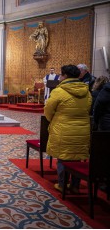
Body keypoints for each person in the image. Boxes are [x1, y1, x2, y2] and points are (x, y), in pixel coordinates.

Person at [44, 64, 91, 194]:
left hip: (63, 129)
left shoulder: (59, 91)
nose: (59, 76)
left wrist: (54, 120)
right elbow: (88, 108)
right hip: (82, 130)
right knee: (77, 158)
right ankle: (75, 185)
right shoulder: (86, 91)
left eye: (61, 74)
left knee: (63, 156)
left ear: (65, 76)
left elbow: (48, 111)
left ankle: (62, 184)